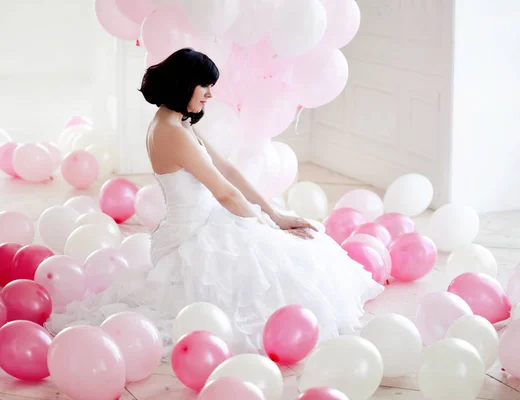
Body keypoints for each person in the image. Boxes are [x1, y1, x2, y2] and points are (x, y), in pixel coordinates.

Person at [46, 48, 383, 356]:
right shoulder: (171, 132)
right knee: (277, 257)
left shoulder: (178, 121)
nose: (210, 94)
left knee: (295, 249)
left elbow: (227, 168)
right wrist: (267, 226)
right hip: (190, 235)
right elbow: (224, 193)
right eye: (204, 86)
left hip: (208, 219)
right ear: (183, 84)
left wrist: (275, 213)